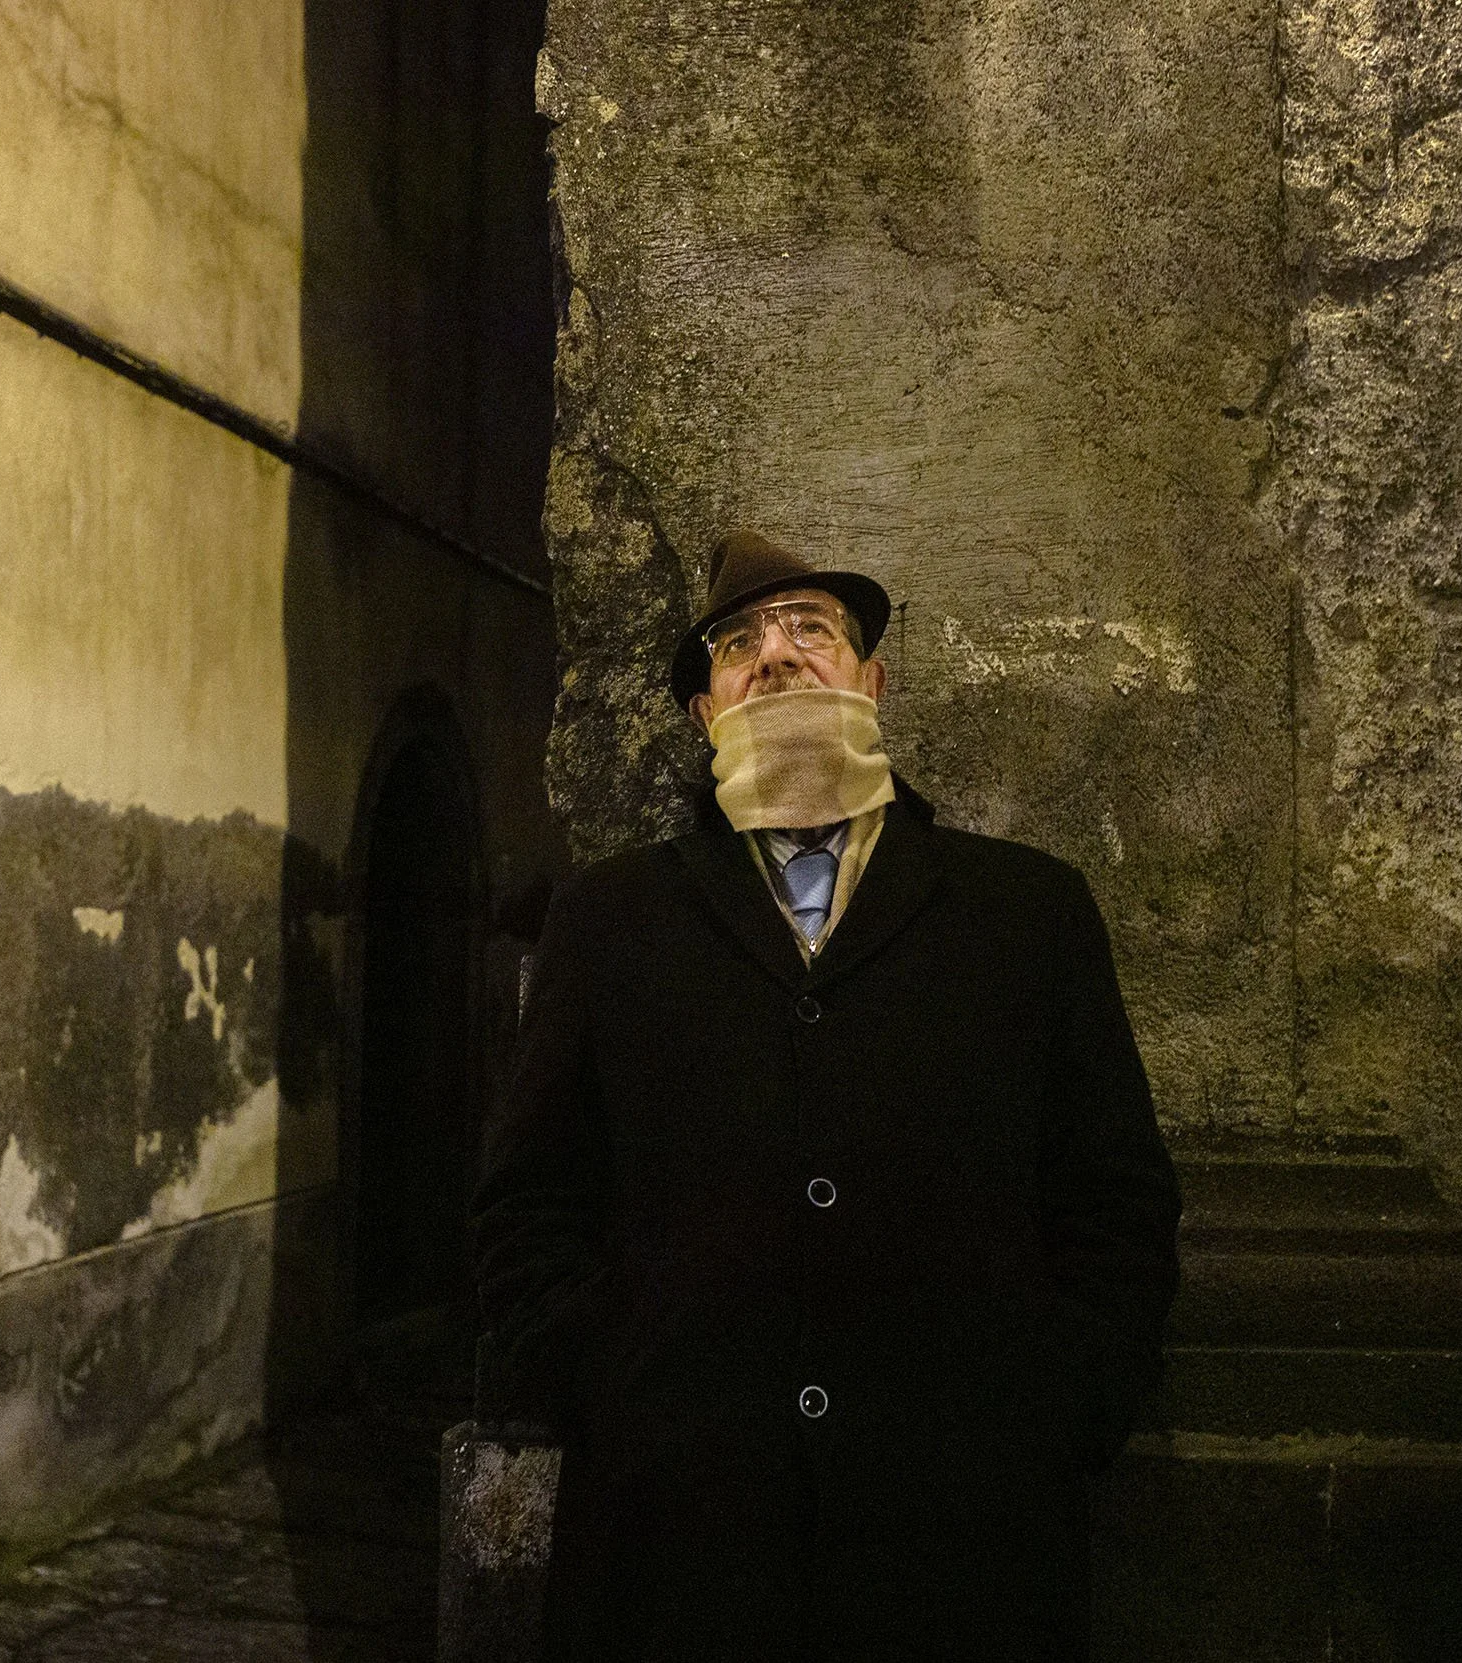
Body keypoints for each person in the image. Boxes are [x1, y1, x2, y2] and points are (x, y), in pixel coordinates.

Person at [471, 529, 1181, 1662]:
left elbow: (1115, 1198)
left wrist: (1056, 1405)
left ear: (871, 682)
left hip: (958, 1533)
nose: (776, 655)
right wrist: (616, 1392)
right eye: (738, 642)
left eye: (813, 629)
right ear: (706, 710)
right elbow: (528, 1205)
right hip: (684, 1535)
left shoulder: (1025, 913)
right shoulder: (611, 920)